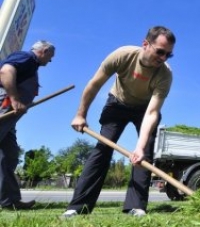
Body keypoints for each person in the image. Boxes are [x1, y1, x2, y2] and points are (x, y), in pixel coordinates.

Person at [61, 26, 175, 218]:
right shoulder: (123, 55)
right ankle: (78, 206)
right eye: (160, 52)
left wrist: (139, 147)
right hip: (117, 103)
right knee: (102, 149)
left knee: (143, 154)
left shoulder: (165, 74)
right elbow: (94, 84)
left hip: (145, 109)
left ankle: (136, 206)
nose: (163, 58)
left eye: (168, 55)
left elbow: (152, 112)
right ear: (145, 44)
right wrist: (80, 114)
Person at [0, 40, 55, 210]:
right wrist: (15, 100)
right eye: (50, 57)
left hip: (11, 120)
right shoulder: (26, 58)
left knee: (9, 156)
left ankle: (10, 200)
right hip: (4, 108)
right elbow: (6, 71)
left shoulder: (32, 66)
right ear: (44, 51)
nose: (50, 61)